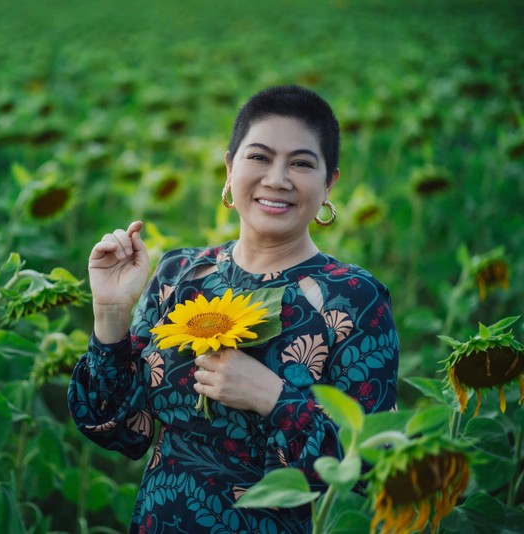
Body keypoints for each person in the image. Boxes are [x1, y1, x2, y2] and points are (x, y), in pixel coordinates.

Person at [68, 85, 399, 533]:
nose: (277, 179)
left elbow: (368, 468)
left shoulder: (354, 298)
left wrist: (273, 399)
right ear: (229, 168)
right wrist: (110, 312)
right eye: (259, 157)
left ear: (329, 184)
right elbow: (120, 429)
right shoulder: (181, 275)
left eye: (301, 163)